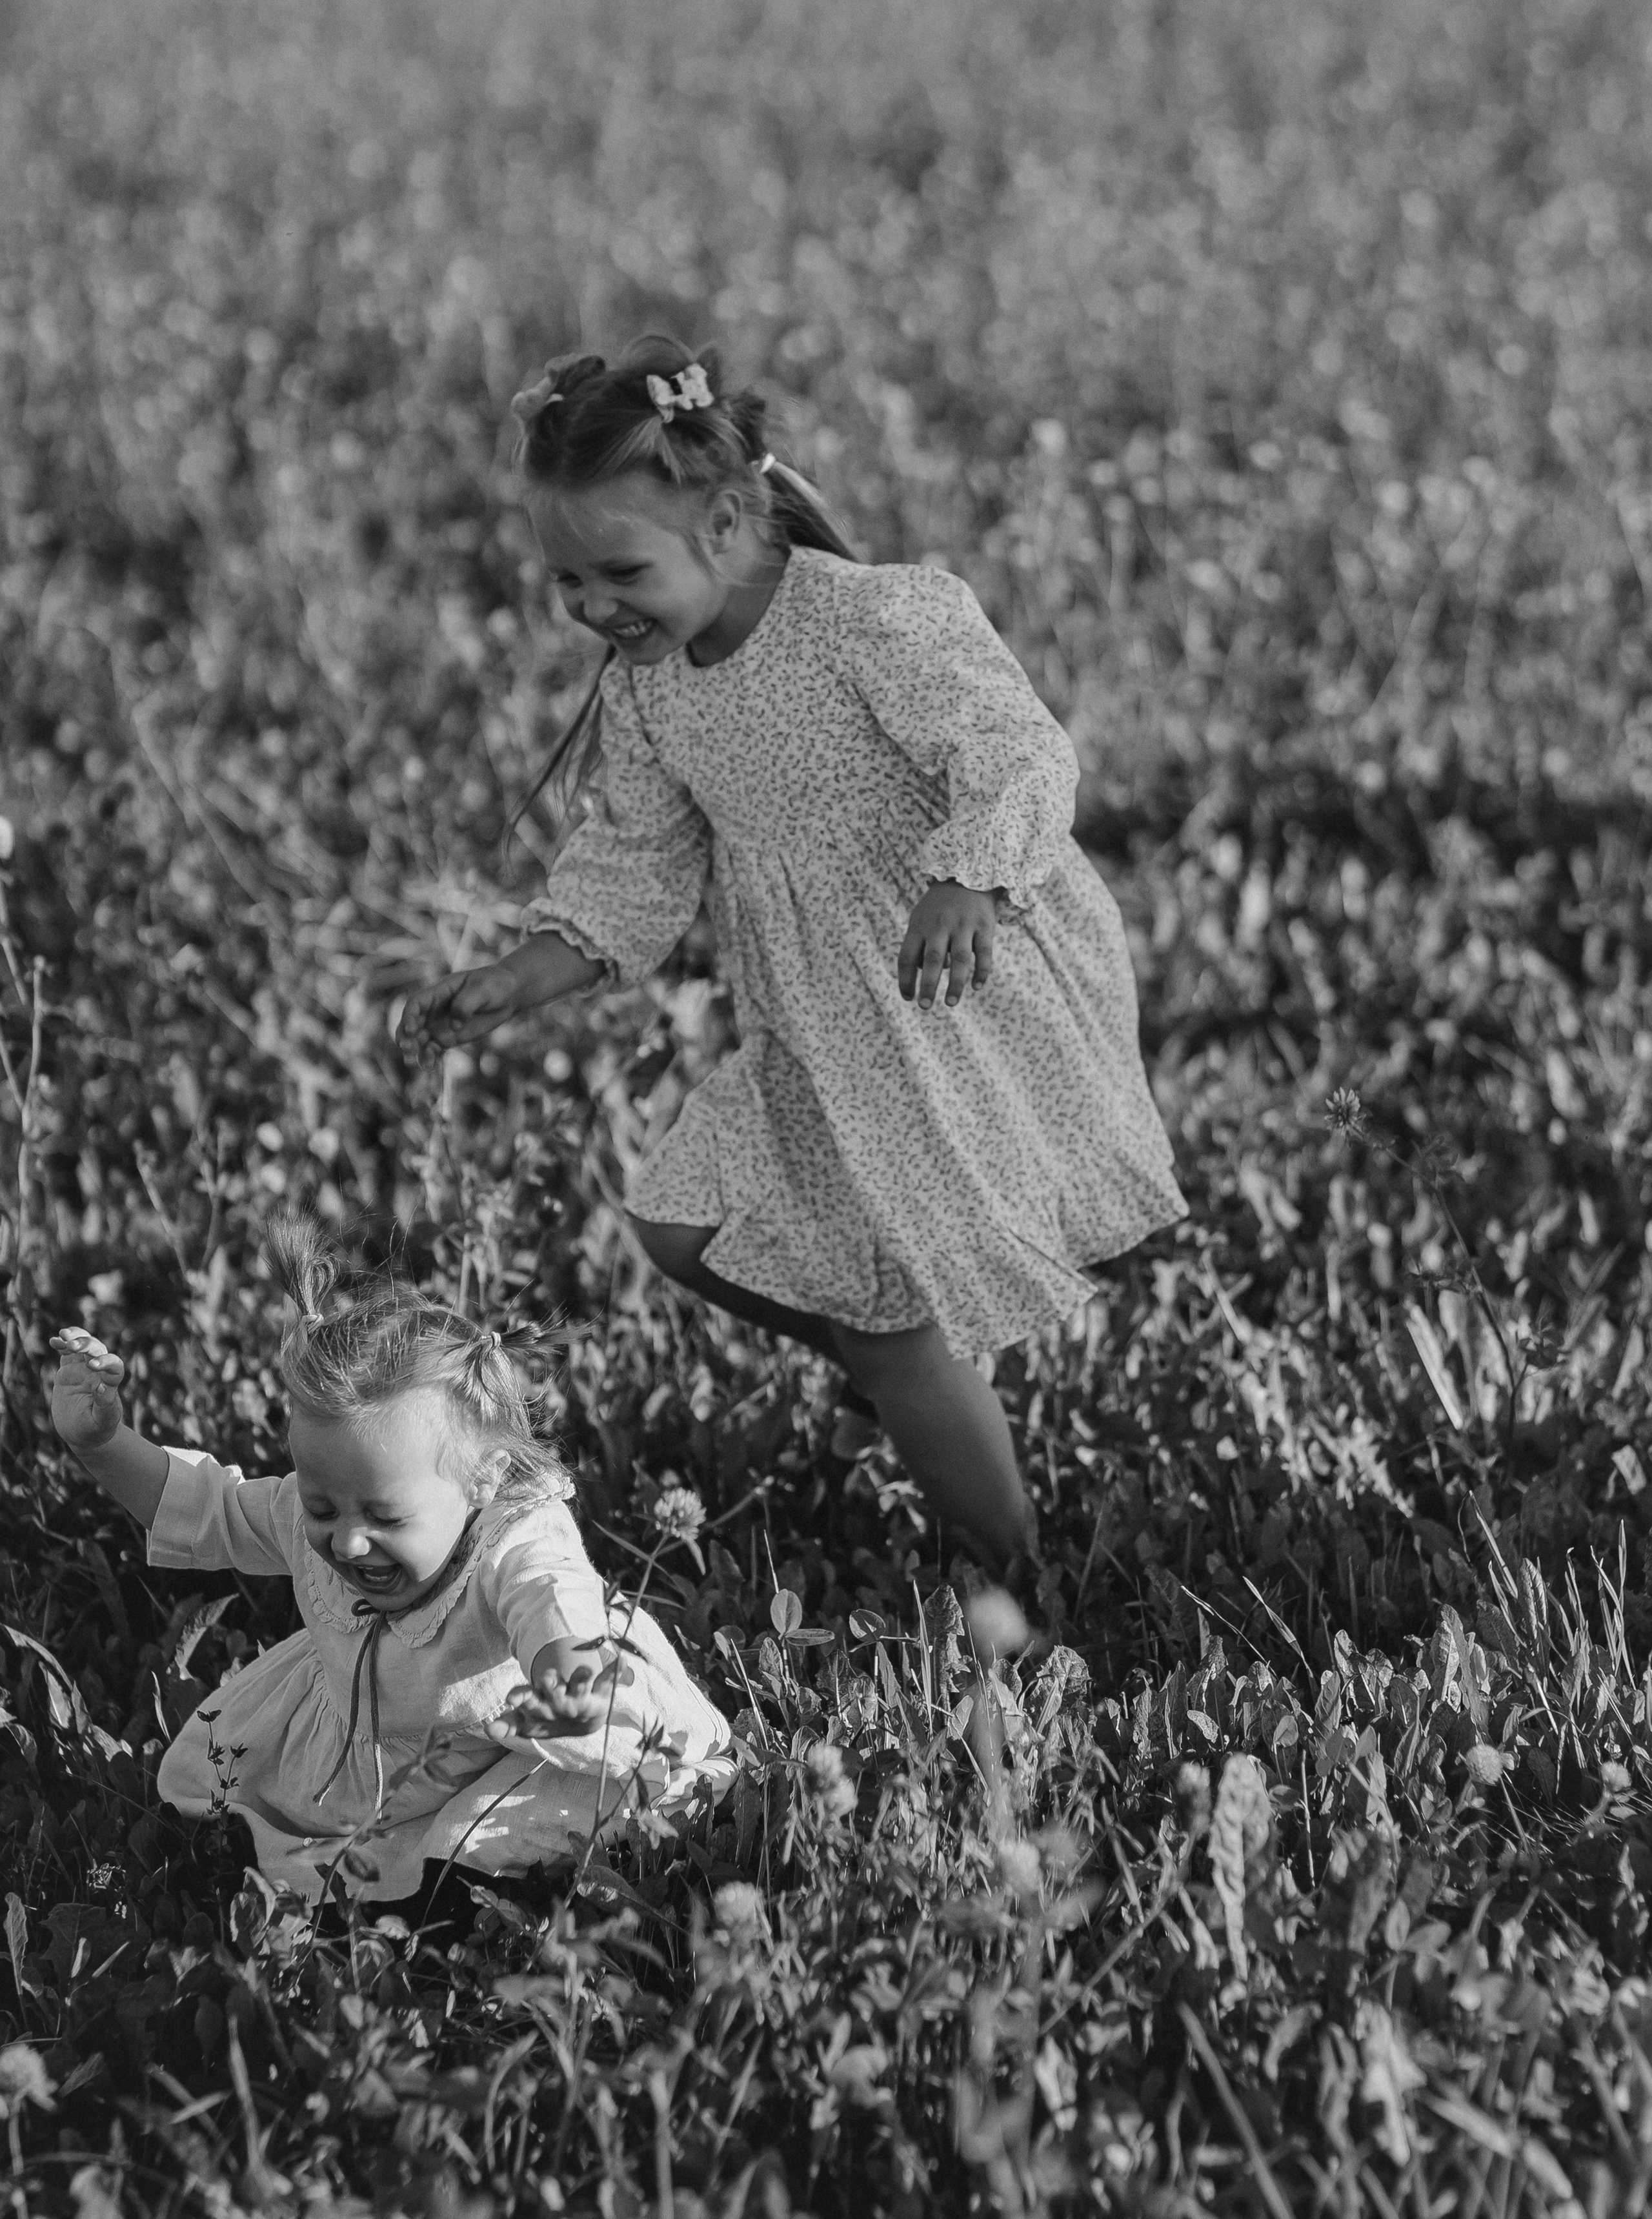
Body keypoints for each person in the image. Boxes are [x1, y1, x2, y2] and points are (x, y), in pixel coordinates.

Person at [401, 337, 1185, 1574]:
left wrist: (967, 875)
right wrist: (521, 975)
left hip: (948, 999)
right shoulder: (652, 690)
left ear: (722, 521)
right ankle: (916, 1364)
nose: (595, 608)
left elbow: (1018, 752)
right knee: (678, 1227)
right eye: (566, 581)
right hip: (816, 1028)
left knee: (885, 1325)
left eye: (619, 571)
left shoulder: (870, 618)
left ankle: (1017, 1578)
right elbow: (639, 864)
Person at [45, 1214, 734, 1904]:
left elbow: (549, 1590)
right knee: (217, 1785)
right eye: (323, 1509)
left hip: (520, 1739)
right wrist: (102, 1444)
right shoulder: (327, 1512)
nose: (346, 1541)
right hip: (372, 1750)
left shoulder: (512, 1537)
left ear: (484, 1479)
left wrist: (561, 1658)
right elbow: (205, 1506)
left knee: (481, 1844)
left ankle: (464, 1901)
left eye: (385, 1517)